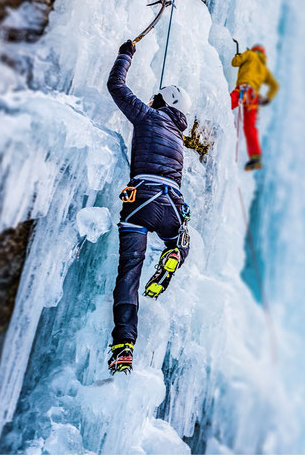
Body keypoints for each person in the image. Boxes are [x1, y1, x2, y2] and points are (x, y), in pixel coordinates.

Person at [106, 39, 193, 375]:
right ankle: (174, 255)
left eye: (157, 97)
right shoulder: (179, 138)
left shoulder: (146, 115)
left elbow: (116, 86)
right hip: (172, 203)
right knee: (178, 239)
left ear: (163, 101)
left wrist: (126, 53)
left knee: (129, 272)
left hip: (141, 199)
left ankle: (123, 346)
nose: (151, 99)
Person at [231, 44, 279, 171]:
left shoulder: (250, 55)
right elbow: (274, 86)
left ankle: (211, 115)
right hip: (254, 98)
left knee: (227, 103)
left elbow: (235, 63)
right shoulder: (264, 69)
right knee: (250, 127)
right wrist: (267, 99)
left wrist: (238, 56)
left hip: (244, 90)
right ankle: (255, 157)